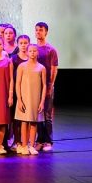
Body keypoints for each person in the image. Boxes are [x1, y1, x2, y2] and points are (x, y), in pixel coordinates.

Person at [14, 44, 46, 155]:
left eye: (34, 51)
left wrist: (42, 101)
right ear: (27, 52)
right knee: (24, 122)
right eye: (30, 51)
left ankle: (31, 145)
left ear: (37, 53)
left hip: (35, 98)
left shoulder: (41, 68)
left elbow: (44, 85)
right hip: (24, 97)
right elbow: (17, 83)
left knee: (34, 122)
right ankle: (24, 145)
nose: (32, 53)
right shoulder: (22, 66)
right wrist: (19, 99)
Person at [34, 22, 59, 152]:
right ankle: (39, 140)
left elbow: (54, 70)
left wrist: (50, 85)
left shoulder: (51, 50)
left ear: (46, 32)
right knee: (38, 115)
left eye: (41, 30)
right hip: (35, 86)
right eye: (36, 30)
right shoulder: (32, 49)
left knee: (47, 115)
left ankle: (48, 141)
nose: (38, 32)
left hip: (47, 86)